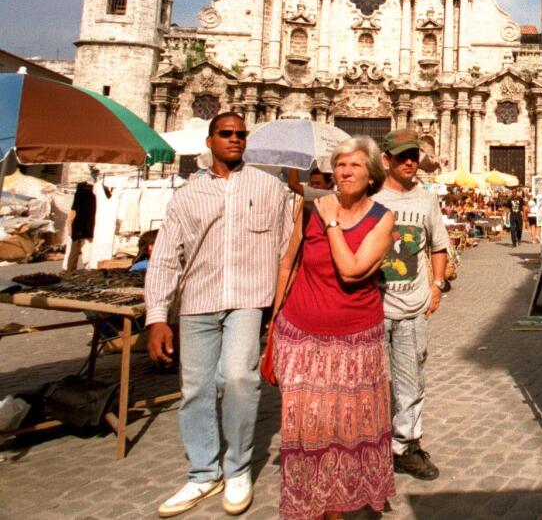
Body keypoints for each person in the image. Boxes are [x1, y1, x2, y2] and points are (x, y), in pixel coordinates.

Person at [145, 113, 293, 518]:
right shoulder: (186, 196)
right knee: (195, 388)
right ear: (209, 141)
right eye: (226, 134)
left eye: (241, 134)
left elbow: (285, 249)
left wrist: (281, 307)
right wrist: (157, 315)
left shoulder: (270, 189)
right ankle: (202, 472)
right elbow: (164, 259)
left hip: (248, 299)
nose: (235, 139)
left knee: (241, 379)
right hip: (197, 300)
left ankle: (238, 467)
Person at [272, 136, 396, 520]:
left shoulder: (382, 217)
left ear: (372, 174)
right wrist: (274, 325)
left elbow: (351, 269)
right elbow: (287, 263)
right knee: (306, 425)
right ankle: (313, 501)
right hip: (300, 334)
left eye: (356, 165)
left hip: (356, 339)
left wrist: (330, 222)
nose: (345, 172)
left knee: (347, 426)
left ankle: (339, 499)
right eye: (340, 165)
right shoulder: (308, 209)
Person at [374, 129, 450, 480]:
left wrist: (436, 286)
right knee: (369, 381)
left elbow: (438, 245)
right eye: (402, 156)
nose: (409, 162)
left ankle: (405, 445)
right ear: (385, 160)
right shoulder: (368, 196)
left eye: (414, 156)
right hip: (371, 308)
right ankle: (370, 444)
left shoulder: (426, 199)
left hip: (411, 307)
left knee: (412, 379)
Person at [64, 180, 96, 271]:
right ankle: (89, 268)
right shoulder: (93, 195)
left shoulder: (79, 195)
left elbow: (73, 212)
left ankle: (70, 270)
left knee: (74, 250)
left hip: (78, 226)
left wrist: (70, 227)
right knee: (88, 249)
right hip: (89, 225)